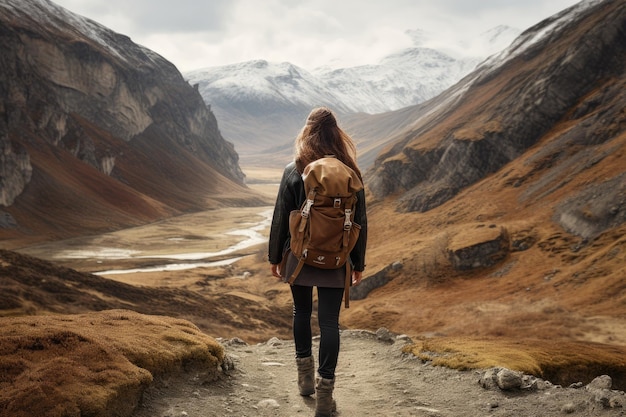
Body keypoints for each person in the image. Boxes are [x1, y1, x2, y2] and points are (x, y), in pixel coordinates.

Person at [268, 106, 367, 417]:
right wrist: (358, 263)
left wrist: (275, 257)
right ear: (337, 135)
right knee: (328, 324)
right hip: (338, 258)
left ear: (306, 133)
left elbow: (281, 218)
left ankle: (304, 382)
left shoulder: (293, 169)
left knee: (301, 312)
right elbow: (361, 222)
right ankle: (325, 398)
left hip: (299, 256)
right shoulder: (351, 172)